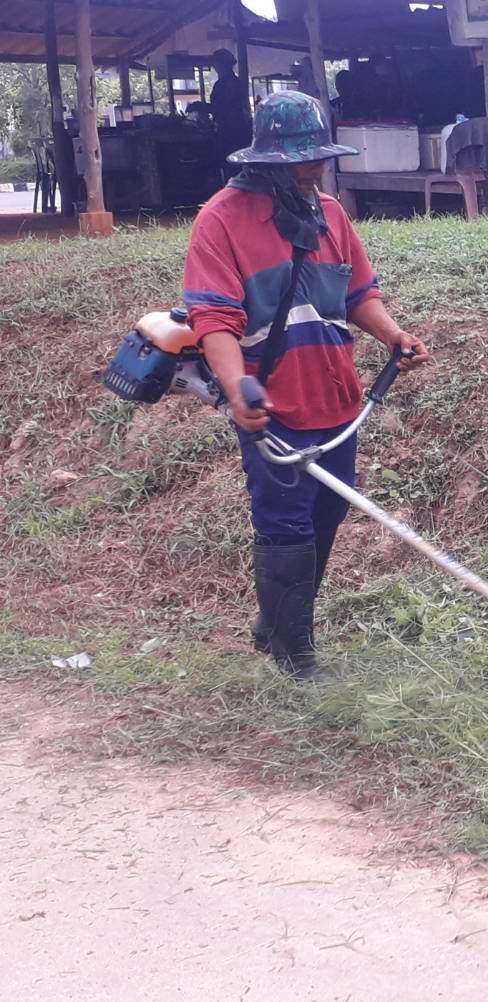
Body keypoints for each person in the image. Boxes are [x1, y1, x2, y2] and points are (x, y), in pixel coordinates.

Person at [183, 91, 430, 680]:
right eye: (300, 160)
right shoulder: (221, 219)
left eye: (316, 158)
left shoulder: (329, 213)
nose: (312, 168)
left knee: (325, 515)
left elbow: (357, 294)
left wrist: (393, 335)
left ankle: (276, 625)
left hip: (336, 397)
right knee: (284, 523)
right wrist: (237, 386)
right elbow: (213, 318)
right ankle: (297, 656)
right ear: (265, 159)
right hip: (274, 403)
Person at [208, 48, 252, 152]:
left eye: (216, 62)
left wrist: (203, 107)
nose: (214, 66)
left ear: (224, 64)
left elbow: (224, 107)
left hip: (231, 131)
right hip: (234, 130)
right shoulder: (232, 82)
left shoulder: (227, 84)